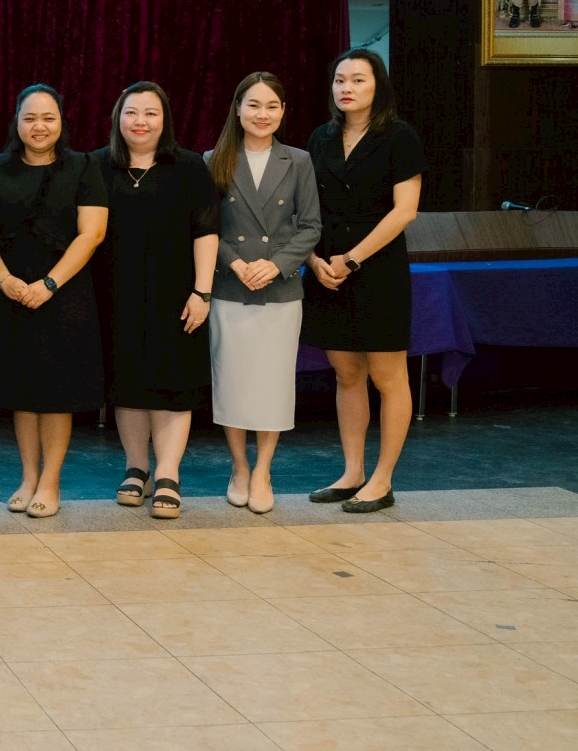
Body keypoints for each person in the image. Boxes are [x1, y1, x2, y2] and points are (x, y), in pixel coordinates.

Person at [0, 85, 108, 519]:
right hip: (12, 293)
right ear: (16, 121)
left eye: (48, 118)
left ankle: (50, 482)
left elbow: (93, 233)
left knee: (55, 394)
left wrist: (49, 284)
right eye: (30, 118)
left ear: (62, 122)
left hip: (63, 295)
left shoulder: (83, 167)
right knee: (22, 391)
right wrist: (3, 279)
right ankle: (28, 477)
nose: (39, 126)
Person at [302, 49, 423, 514]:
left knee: (387, 377)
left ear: (378, 86)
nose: (346, 88)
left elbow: (405, 211)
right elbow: (306, 209)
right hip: (327, 270)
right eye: (340, 80)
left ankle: (382, 479)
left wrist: (352, 259)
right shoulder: (320, 137)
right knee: (347, 374)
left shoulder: (399, 136)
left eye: (358, 80)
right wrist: (314, 261)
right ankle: (352, 472)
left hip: (378, 269)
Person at [93, 82, 219, 521]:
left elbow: (207, 231)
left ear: (165, 120)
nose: (141, 122)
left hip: (176, 295)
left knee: (172, 383)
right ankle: (136, 468)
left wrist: (202, 292)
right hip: (115, 294)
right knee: (127, 383)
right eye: (132, 112)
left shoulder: (189, 167)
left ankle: (168, 472)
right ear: (118, 118)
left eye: (151, 113)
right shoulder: (98, 166)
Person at [206, 72, 321, 515]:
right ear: (238, 109)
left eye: (272, 106)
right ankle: (239, 467)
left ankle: (264, 471)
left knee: (273, 384)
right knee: (231, 382)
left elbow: (310, 226)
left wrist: (275, 264)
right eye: (253, 105)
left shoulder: (299, 161)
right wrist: (236, 263)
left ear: (283, 111)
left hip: (281, 290)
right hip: (229, 287)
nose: (262, 114)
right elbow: (204, 226)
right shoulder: (213, 159)